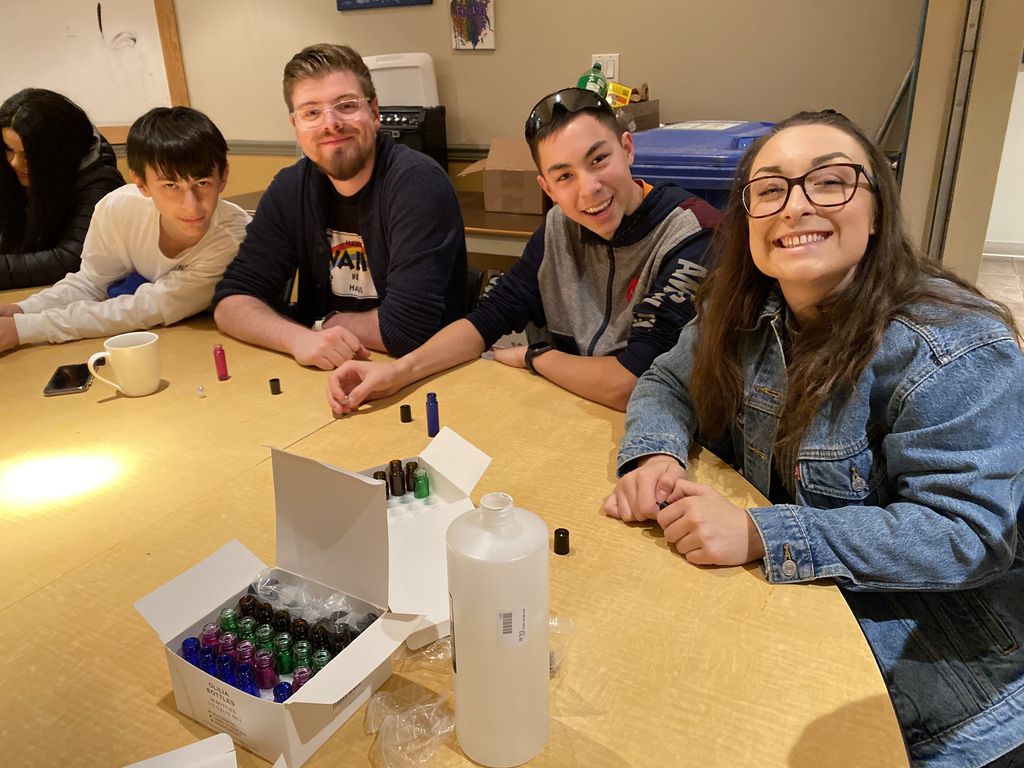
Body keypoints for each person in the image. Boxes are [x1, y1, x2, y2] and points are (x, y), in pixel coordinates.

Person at [604, 110, 1024, 767]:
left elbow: (967, 537)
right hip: (794, 627)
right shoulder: (742, 309)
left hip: (950, 700)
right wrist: (654, 451)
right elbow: (665, 379)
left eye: (829, 182)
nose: (795, 206)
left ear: (878, 211)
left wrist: (762, 533)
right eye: (770, 190)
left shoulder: (953, 346)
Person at [327, 88, 719, 413]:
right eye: (564, 176)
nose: (589, 188)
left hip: (669, 434)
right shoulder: (558, 228)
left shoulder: (692, 234)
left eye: (599, 160)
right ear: (547, 188)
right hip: (577, 413)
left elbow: (632, 382)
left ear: (627, 149)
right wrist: (400, 373)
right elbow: (487, 319)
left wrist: (537, 357)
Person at [212, 43, 468, 370]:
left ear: (375, 112)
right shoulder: (290, 188)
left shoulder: (418, 183)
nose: (330, 123)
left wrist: (324, 325)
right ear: (295, 126)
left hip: (420, 374)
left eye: (346, 105)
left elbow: (408, 331)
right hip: (325, 372)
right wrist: (298, 339)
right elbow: (232, 302)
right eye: (311, 112)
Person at [0, 107, 249, 352]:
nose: (191, 205)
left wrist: (24, 329)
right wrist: (21, 310)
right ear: (141, 183)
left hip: (201, 346)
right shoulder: (119, 208)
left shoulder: (232, 237)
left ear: (223, 176)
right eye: (171, 185)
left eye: (202, 183)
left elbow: (143, 309)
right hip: (163, 338)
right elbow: (91, 282)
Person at [0, 88, 125, 289]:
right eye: (9, 150)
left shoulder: (100, 182)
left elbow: (70, 260)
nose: (15, 163)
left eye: (27, 155)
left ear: (58, 151)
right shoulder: (9, 171)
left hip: (71, 295)